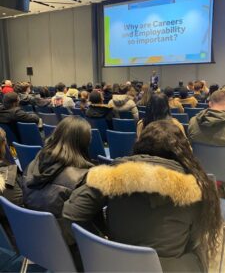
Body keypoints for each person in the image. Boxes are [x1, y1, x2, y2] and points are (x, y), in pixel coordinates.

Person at [63, 120, 222, 273]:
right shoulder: (199, 188)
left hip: (114, 265)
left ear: (141, 144)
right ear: (183, 149)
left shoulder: (113, 175)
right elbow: (194, 240)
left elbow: (71, 213)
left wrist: (101, 242)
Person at [22, 116, 93, 218]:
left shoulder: (34, 162)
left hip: (35, 228)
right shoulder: (83, 178)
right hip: (63, 231)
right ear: (85, 142)